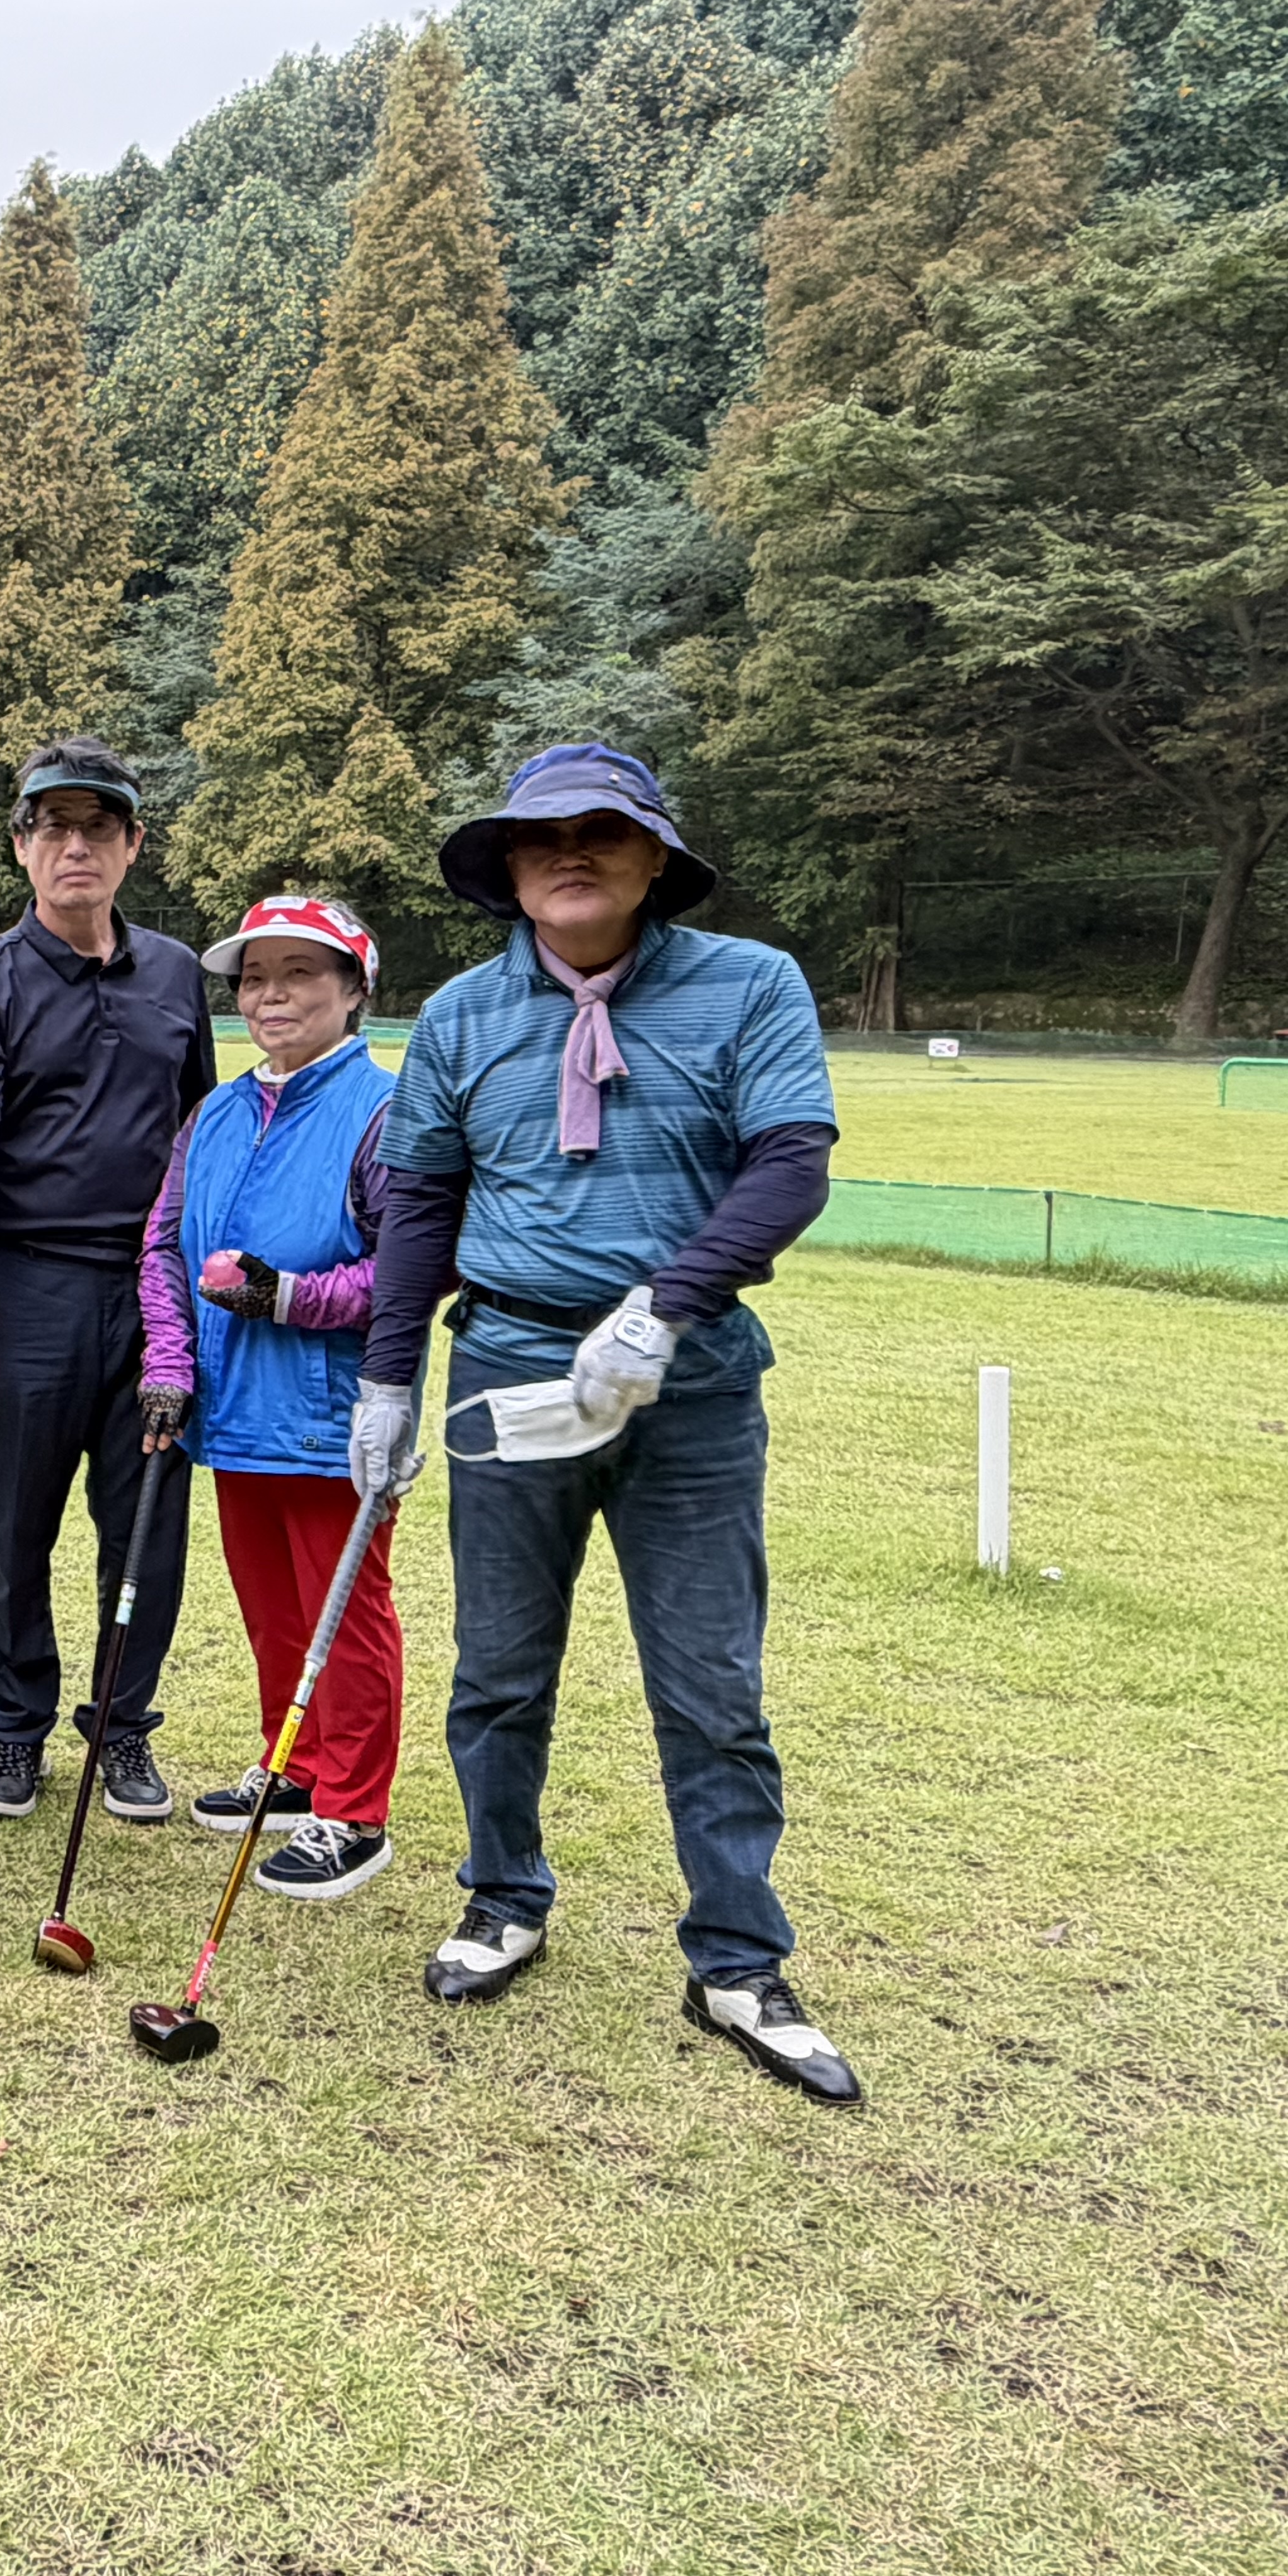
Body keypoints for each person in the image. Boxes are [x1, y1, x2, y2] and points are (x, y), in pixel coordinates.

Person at [355, 743, 856, 2103]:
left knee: (712, 1684)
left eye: (600, 833)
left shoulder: (749, 986)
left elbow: (791, 1164)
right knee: (501, 1671)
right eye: (540, 839)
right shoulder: (462, 1012)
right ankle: (503, 1894)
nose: (568, 854)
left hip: (686, 1389)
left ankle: (739, 1958)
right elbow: (419, 1206)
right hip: (508, 1370)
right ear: (509, 868)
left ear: (652, 859)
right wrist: (389, 1381)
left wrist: (667, 1308)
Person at [0, 737, 216, 1825]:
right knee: (16, 1527)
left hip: (152, 1288)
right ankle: (14, 1728)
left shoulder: (179, 974)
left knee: (147, 1520)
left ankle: (123, 1727)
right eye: (54, 826)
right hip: (26, 1287)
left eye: (99, 827)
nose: (76, 845)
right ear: (22, 845)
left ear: (133, 845)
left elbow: (200, 1131)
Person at [137, 894, 406, 1901]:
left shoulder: (384, 1112)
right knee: (271, 1607)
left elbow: (414, 1267)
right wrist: (170, 1361)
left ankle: (354, 1809)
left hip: (332, 1412)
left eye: (300, 973)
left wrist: (292, 1297)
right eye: (256, 976)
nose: (272, 994)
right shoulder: (215, 1110)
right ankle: (292, 1767)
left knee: (347, 1611)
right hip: (232, 1409)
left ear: (352, 993)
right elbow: (164, 1244)